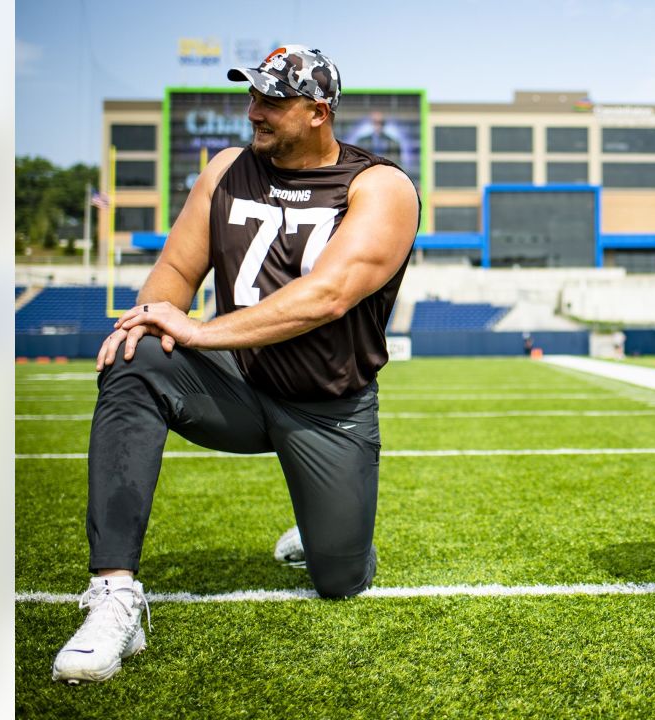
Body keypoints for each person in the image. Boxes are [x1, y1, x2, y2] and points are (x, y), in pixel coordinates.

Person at [51, 44, 421, 684]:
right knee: (136, 353)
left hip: (328, 410)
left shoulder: (381, 186)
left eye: (273, 101)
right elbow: (174, 271)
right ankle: (115, 596)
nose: (255, 112)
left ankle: (323, 528)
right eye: (252, 96)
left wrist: (197, 331)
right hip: (240, 386)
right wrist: (151, 315)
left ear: (318, 112)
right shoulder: (226, 170)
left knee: (340, 578)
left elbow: (328, 295)